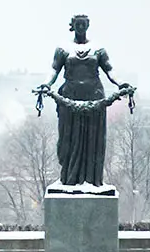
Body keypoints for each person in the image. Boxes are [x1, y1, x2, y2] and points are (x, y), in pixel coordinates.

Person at [34, 14, 133, 193]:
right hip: (69, 97)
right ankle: (69, 179)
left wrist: (121, 83)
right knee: (68, 140)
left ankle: (92, 181)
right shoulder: (63, 48)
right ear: (73, 26)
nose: (81, 27)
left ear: (87, 26)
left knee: (93, 140)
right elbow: (54, 70)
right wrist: (46, 84)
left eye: (84, 24)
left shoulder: (98, 49)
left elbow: (109, 69)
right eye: (77, 24)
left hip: (94, 97)